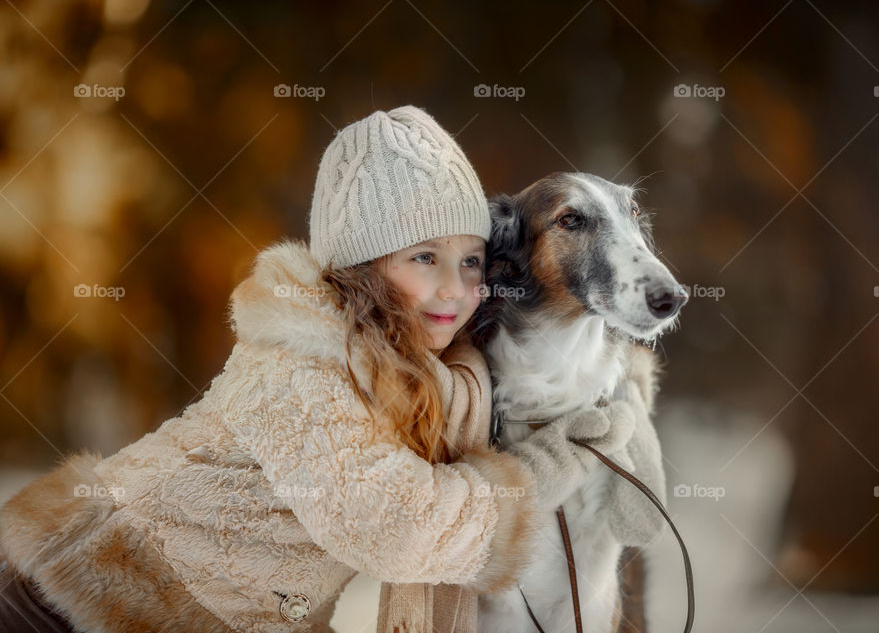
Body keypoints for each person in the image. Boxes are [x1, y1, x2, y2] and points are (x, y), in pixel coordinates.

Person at [0, 106, 637, 633]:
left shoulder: (416, 366)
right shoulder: (304, 367)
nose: (454, 288)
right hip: (72, 600)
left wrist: (603, 380)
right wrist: (547, 465)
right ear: (362, 266)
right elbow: (398, 527)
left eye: (471, 262)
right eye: (424, 257)